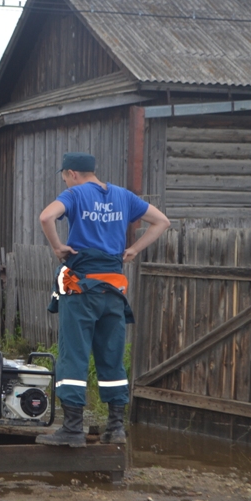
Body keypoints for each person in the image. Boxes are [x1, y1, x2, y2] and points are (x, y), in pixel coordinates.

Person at [36, 152, 170, 447]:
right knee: (111, 355)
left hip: (81, 286)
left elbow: (46, 216)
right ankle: (116, 428)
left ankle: (72, 429)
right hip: (114, 290)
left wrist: (58, 246)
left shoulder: (74, 194)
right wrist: (133, 249)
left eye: (64, 176)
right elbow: (161, 221)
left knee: (74, 353)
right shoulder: (124, 196)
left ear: (72, 173)